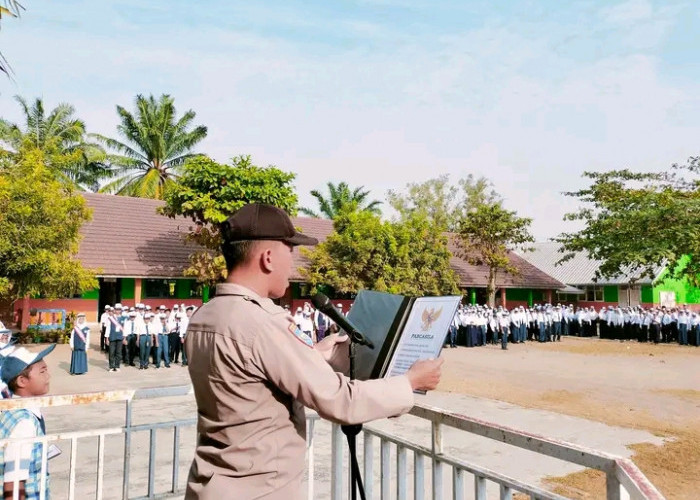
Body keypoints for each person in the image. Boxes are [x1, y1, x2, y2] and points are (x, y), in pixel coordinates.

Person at [183, 203, 443, 499]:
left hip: (211, 483)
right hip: (257, 490)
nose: (292, 266)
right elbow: (341, 401)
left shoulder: (206, 316)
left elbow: (246, 375)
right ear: (268, 258)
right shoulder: (263, 323)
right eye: (290, 252)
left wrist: (313, 355)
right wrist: (410, 382)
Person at [0, 345, 55, 499]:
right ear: (22, 381)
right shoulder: (24, 422)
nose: (48, 376)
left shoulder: (16, 411)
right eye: (42, 371)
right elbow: (13, 484)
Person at [105, 304, 125, 372]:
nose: (118, 311)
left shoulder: (123, 318)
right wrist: (106, 338)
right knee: (111, 352)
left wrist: (124, 338)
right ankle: (111, 366)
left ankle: (117, 366)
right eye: (116, 309)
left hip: (120, 337)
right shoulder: (110, 318)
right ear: (114, 310)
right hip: (112, 337)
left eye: (119, 309)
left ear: (121, 310)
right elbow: (108, 328)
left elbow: (125, 329)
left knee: (118, 352)